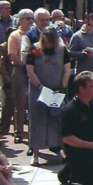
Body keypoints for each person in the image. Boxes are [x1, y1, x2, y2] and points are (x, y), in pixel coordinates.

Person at [26, 27, 71, 166]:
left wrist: (61, 87)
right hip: (38, 90)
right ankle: (35, 153)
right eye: (45, 42)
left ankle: (57, 148)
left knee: (56, 121)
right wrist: (40, 87)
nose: (47, 45)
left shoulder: (62, 50)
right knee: (37, 121)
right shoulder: (34, 49)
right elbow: (30, 71)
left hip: (56, 90)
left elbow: (67, 70)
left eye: (50, 42)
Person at [7, 9, 34, 145]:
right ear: (21, 20)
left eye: (32, 18)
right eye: (28, 18)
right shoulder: (14, 35)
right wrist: (24, 67)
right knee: (20, 102)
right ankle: (19, 133)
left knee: (33, 102)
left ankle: (34, 132)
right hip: (20, 70)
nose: (31, 21)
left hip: (34, 71)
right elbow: (12, 55)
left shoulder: (34, 34)